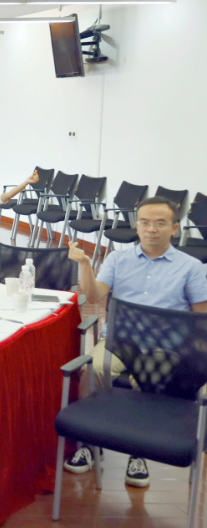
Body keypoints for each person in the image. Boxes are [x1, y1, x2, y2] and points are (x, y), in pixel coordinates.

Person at [64, 196, 207, 488]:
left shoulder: (192, 267)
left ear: (174, 228)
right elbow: (94, 296)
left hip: (165, 347)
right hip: (120, 340)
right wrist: (85, 265)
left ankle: (138, 452)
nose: (151, 229)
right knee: (94, 369)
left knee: (147, 381)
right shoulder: (118, 259)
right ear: (137, 226)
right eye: (144, 222)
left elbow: (200, 318)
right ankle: (90, 444)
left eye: (160, 223)